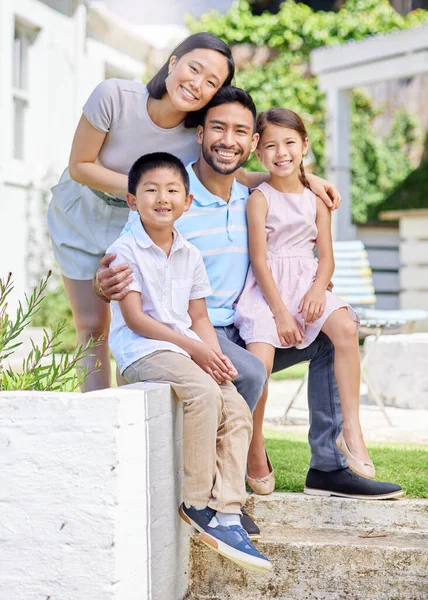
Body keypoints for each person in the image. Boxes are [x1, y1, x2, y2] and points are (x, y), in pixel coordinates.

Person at [99, 87, 403, 513]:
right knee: (247, 370)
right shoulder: (173, 193)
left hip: (249, 323)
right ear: (200, 133)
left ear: (252, 143)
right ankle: (234, 483)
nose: (229, 140)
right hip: (202, 329)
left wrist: (309, 178)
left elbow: (282, 179)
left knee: (334, 336)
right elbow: (128, 252)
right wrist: (104, 278)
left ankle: (330, 467)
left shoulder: (251, 193)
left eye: (241, 131)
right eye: (219, 128)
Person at [48, 32, 340, 393]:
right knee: (92, 327)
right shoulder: (114, 97)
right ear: (173, 62)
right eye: (194, 69)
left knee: (138, 319)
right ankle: (98, 425)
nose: (197, 84)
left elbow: (242, 173)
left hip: (139, 216)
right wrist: (147, 188)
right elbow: (80, 165)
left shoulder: (195, 136)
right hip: (83, 212)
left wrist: (304, 178)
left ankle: (133, 421)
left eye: (211, 82)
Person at [107, 151, 272, 573]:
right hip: (144, 350)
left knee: (235, 404)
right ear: (132, 200)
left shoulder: (190, 254)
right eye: (151, 190)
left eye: (172, 190)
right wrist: (196, 349)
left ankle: (228, 510)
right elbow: (136, 319)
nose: (162, 198)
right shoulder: (124, 250)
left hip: (185, 348)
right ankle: (197, 501)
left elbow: (199, 316)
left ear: (187, 203)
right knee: (202, 394)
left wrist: (211, 351)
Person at [235, 108, 375, 489]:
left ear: (305, 146)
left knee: (345, 326)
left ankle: (352, 430)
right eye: (271, 146)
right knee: (259, 362)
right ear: (258, 152)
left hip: (307, 282)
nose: (282, 153)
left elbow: (326, 257)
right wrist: (280, 312)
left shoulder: (316, 199)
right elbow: (260, 261)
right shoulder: (259, 198)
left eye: (290, 143)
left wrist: (316, 288)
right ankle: (254, 442)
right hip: (268, 292)